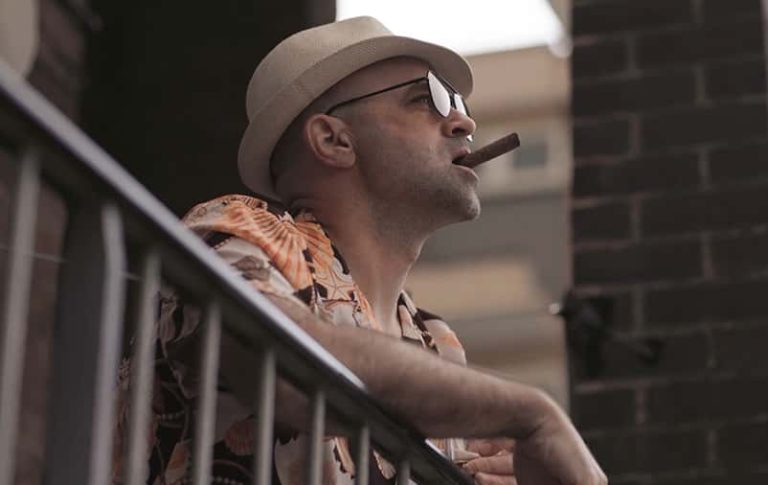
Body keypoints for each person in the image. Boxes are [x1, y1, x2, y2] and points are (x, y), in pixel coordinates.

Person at [112, 16, 606, 485]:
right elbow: (281, 366)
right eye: (426, 99)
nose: (462, 121)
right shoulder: (239, 229)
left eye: (456, 100)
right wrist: (531, 413)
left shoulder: (436, 342)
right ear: (333, 139)